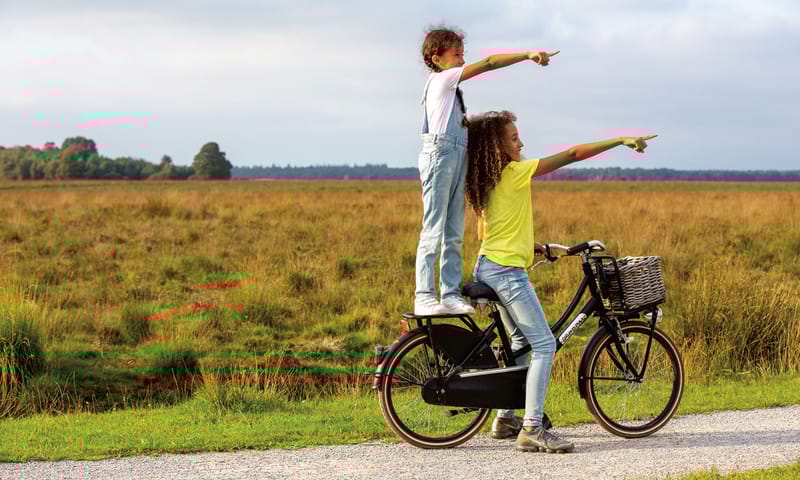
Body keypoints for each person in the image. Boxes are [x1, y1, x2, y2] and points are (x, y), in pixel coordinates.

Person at [465, 110, 656, 453]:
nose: (520, 143)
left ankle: (506, 417)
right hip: (507, 272)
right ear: (496, 148)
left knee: (520, 342)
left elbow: (496, 229)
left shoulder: (489, 180)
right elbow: (572, 155)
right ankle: (532, 428)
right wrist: (618, 140)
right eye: (512, 138)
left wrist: (538, 247)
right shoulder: (516, 172)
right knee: (544, 345)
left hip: (488, 265)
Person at [415, 24, 559, 316]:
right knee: (433, 230)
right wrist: (527, 55)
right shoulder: (441, 81)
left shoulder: (452, 92)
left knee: (454, 232)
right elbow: (490, 63)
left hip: (456, 158)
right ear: (436, 57)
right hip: (440, 157)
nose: (462, 60)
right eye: (457, 54)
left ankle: (450, 294)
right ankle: (424, 295)